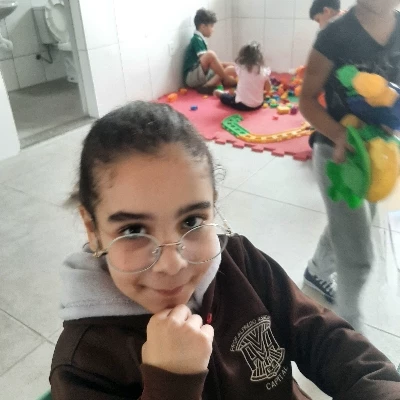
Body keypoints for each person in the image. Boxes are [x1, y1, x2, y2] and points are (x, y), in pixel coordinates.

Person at [50, 101, 400, 399]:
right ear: (92, 229)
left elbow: (321, 335)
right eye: (133, 230)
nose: (172, 264)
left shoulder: (240, 260)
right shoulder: (83, 364)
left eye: (191, 221)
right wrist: (171, 383)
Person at [300, 0, 400, 332]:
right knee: (358, 257)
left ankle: (317, 270)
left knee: (350, 224)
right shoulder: (335, 35)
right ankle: (348, 336)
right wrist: (340, 134)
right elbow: (306, 99)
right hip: (338, 155)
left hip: (376, 155)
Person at [183, 8, 236, 94]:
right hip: (191, 77)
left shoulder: (200, 39)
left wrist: (226, 65)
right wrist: (222, 68)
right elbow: (207, 60)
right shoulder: (196, 39)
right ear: (203, 27)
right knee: (211, 55)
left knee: (227, 66)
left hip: (199, 74)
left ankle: (207, 86)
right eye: (211, 26)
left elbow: (210, 64)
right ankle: (226, 79)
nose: (213, 29)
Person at [214, 41, 271, 111]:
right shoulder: (263, 71)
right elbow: (268, 88)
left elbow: (228, 70)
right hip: (258, 104)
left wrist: (220, 78)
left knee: (222, 95)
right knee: (237, 93)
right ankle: (238, 94)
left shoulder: (241, 68)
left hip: (242, 105)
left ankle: (221, 93)